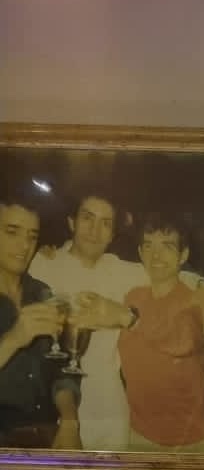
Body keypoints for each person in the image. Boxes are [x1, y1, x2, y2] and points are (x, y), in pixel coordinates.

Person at [29, 188, 140, 450]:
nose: (94, 230)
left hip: (112, 407)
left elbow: (172, 272)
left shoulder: (120, 270)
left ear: (112, 234)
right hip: (58, 407)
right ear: (72, 222)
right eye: (87, 218)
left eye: (105, 223)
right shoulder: (43, 265)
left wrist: (203, 286)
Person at [117, 210, 204, 453]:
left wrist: (128, 319)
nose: (156, 255)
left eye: (167, 247)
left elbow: (183, 342)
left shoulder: (196, 300)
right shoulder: (133, 297)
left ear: (183, 255)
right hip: (139, 437)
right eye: (148, 246)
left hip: (188, 444)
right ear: (140, 252)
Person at [0, 195, 81, 450]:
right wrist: (12, 339)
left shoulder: (42, 293)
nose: (24, 245)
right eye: (12, 232)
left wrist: (69, 420)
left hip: (48, 437)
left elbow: (62, 369)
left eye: (32, 236)